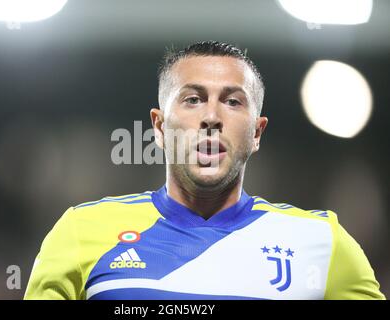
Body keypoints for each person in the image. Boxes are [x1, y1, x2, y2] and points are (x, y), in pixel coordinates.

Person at [24, 41, 385, 300]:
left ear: (257, 132)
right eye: (193, 99)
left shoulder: (323, 242)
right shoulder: (79, 233)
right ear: (160, 127)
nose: (211, 117)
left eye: (232, 101)